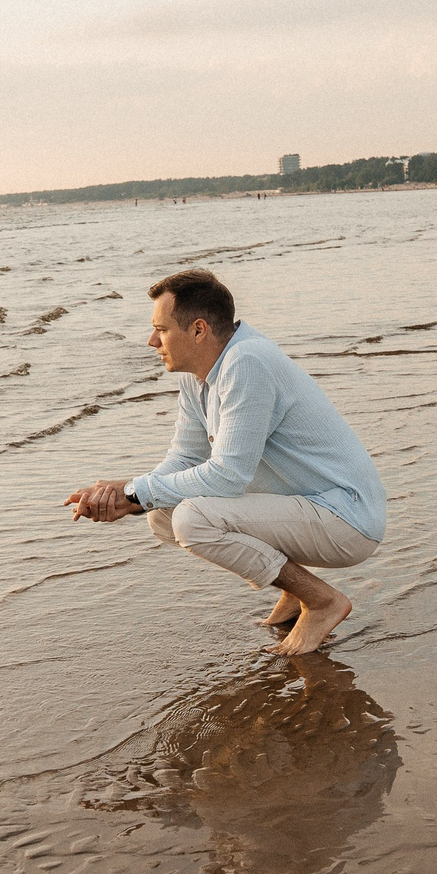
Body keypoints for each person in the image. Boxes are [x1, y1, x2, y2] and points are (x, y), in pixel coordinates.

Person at [65, 269, 386, 656]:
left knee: (192, 519)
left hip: (347, 519)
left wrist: (136, 492)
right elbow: (185, 457)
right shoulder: (198, 374)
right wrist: (125, 493)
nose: (152, 341)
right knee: (162, 515)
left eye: (161, 329)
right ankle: (294, 592)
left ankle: (321, 601)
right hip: (311, 508)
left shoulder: (246, 363)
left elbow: (228, 476)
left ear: (198, 330)